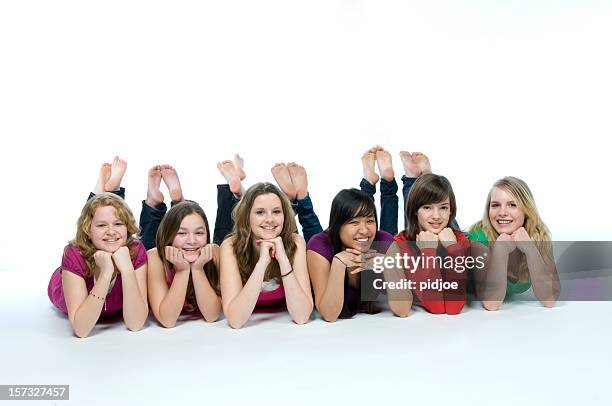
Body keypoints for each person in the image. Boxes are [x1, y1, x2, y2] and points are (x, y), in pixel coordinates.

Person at [47, 157, 148, 337]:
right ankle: (103, 191)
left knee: (103, 212)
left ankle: (104, 192)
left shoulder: (136, 250)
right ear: (89, 231)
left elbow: (136, 324)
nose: (111, 231)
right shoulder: (73, 253)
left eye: (119, 224)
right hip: (65, 283)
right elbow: (81, 329)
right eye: (101, 226)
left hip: (117, 264)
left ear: (128, 227)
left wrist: (126, 269)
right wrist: (106, 272)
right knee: (94, 213)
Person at [219, 182, 314, 329]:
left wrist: (283, 259)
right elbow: (235, 321)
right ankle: (233, 187)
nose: (270, 219)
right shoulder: (229, 246)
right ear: (247, 216)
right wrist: (262, 262)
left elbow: (301, 317)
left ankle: (300, 194)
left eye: (276, 212)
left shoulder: (296, 242)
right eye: (260, 212)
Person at [307, 188, 411, 322]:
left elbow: (403, 310)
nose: (364, 230)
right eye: (354, 222)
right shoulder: (319, 245)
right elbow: (329, 315)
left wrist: (387, 265)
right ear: (337, 225)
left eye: (370, 221)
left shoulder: (385, 242)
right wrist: (338, 264)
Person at [140, 164, 221, 327]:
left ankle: (177, 202)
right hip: (160, 250)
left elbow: (212, 316)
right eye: (182, 233)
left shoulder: (214, 252)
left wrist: (197, 269)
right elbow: (167, 320)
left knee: (187, 220)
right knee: (147, 240)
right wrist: (183, 270)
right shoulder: (154, 258)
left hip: (175, 247)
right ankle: (153, 202)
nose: (192, 240)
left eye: (200, 233)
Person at [468, 176, 560, 310]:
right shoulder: (478, 235)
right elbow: (491, 304)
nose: (502, 213)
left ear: (526, 209)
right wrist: (500, 250)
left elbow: (550, 300)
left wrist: (530, 249)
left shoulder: (539, 234)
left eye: (512, 205)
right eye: (495, 205)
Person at [394, 174, 470, 315]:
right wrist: (428, 250)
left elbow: (454, 308)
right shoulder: (401, 244)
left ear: (451, 210)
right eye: (427, 207)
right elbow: (437, 307)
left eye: (443, 208)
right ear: (415, 210)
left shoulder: (460, 241)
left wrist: (453, 248)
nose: (436, 216)